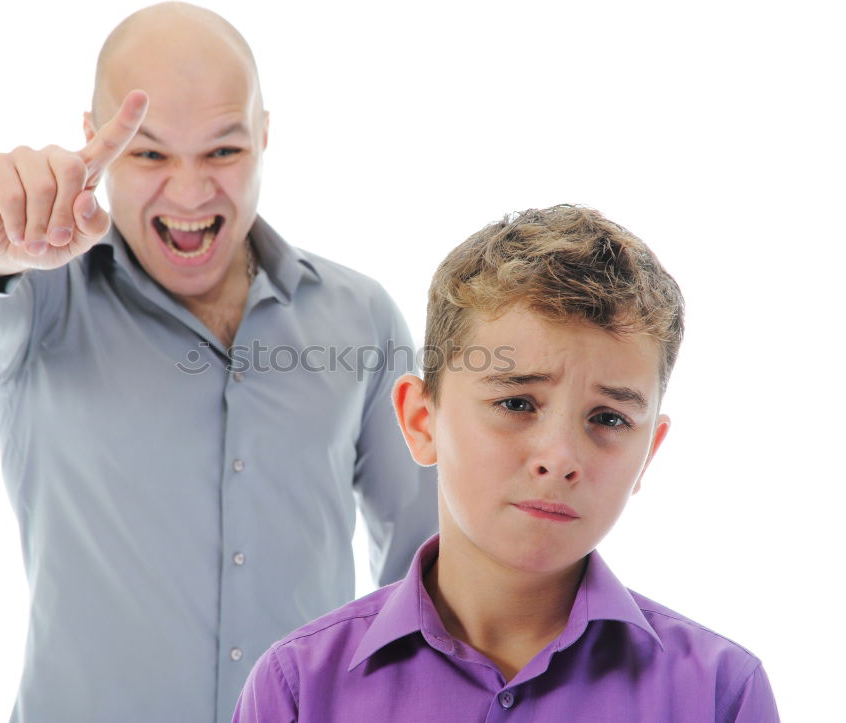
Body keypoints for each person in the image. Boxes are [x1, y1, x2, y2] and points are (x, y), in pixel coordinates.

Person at [0, 3, 437, 722]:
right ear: (92, 142)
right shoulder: (36, 302)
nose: (192, 191)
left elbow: (428, 560)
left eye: (224, 151)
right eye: (148, 152)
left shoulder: (360, 317)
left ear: (265, 137)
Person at [233, 205, 781, 722]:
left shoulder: (720, 694)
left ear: (648, 455)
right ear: (422, 421)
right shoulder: (298, 688)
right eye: (516, 404)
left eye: (609, 419)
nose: (560, 459)